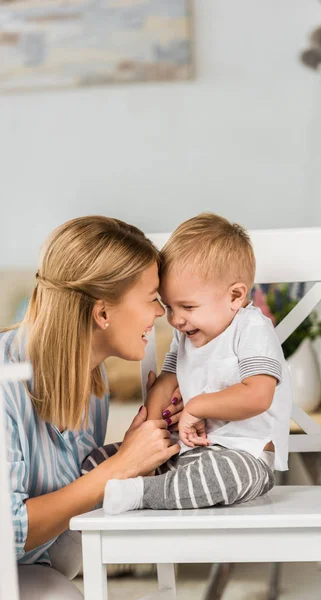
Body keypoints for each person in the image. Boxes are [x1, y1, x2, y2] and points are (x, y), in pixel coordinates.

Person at [1, 216, 182, 599]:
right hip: (10, 562)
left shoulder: (93, 390)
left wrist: (130, 453)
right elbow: (8, 531)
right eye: (152, 298)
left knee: (68, 573)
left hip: (28, 568)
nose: (160, 314)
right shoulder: (5, 384)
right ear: (102, 313)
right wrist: (118, 467)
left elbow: (79, 492)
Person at [85, 213, 292, 514]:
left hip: (244, 453)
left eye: (188, 306)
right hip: (186, 450)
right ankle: (137, 488)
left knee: (223, 477)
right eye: (168, 306)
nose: (174, 318)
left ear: (235, 296)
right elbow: (167, 381)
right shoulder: (186, 335)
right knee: (96, 461)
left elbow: (259, 395)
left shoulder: (252, 329)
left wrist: (196, 407)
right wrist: (151, 430)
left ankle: (142, 493)